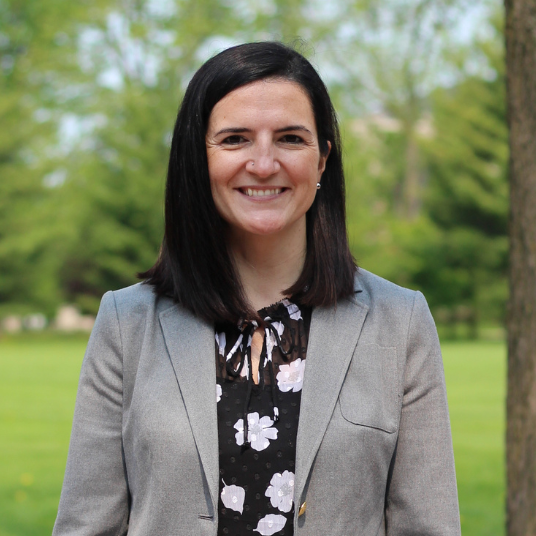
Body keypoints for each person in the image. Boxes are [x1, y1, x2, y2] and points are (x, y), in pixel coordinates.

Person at [53, 42, 461, 536]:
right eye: (234, 139)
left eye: (290, 138)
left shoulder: (401, 322)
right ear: (197, 161)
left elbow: (427, 526)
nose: (263, 163)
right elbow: (86, 526)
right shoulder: (125, 324)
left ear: (323, 160)